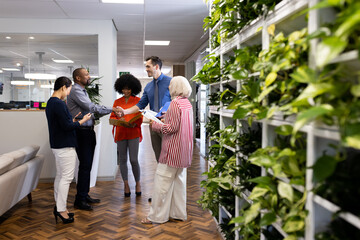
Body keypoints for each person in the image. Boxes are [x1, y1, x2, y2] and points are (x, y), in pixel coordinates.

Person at [67, 68, 122, 210]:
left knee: (87, 165)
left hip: (88, 131)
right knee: (85, 165)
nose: (89, 76)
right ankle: (80, 200)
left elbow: (91, 112)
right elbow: (91, 107)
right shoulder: (76, 90)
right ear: (78, 78)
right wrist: (113, 109)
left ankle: (84, 195)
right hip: (81, 132)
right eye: (86, 75)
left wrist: (109, 112)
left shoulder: (82, 91)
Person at [141, 76, 194, 224]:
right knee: (179, 184)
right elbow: (179, 124)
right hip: (184, 151)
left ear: (176, 86)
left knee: (161, 185)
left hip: (172, 151)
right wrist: (166, 118)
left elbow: (170, 128)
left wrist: (155, 124)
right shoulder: (186, 104)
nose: (169, 87)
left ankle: (156, 217)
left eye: (171, 85)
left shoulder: (174, 104)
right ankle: (178, 213)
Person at [45, 76, 92, 224]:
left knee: (60, 177)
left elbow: (61, 124)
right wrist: (82, 121)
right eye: (69, 89)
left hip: (57, 144)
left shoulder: (51, 102)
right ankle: (61, 210)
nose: (69, 92)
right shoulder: (59, 104)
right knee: (66, 178)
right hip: (65, 145)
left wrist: (72, 120)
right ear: (63, 87)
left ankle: (60, 207)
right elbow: (66, 127)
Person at [120, 56, 171, 162]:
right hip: (153, 125)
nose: (146, 69)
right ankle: (161, 178)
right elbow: (140, 105)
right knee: (159, 157)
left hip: (167, 124)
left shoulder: (171, 82)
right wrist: (125, 111)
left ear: (156, 66)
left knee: (169, 157)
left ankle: (170, 178)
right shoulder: (148, 86)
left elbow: (177, 102)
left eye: (148, 66)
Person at [109, 74, 143, 197]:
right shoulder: (117, 102)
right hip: (121, 133)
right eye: (123, 89)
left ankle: (138, 183)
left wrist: (134, 124)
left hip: (133, 132)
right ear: (120, 89)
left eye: (128, 89)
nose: (126, 91)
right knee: (122, 160)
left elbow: (140, 116)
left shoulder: (138, 101)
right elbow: (112, 117)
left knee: (134, 159)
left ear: (133, 88)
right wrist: (117, 118)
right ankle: (126, 184)